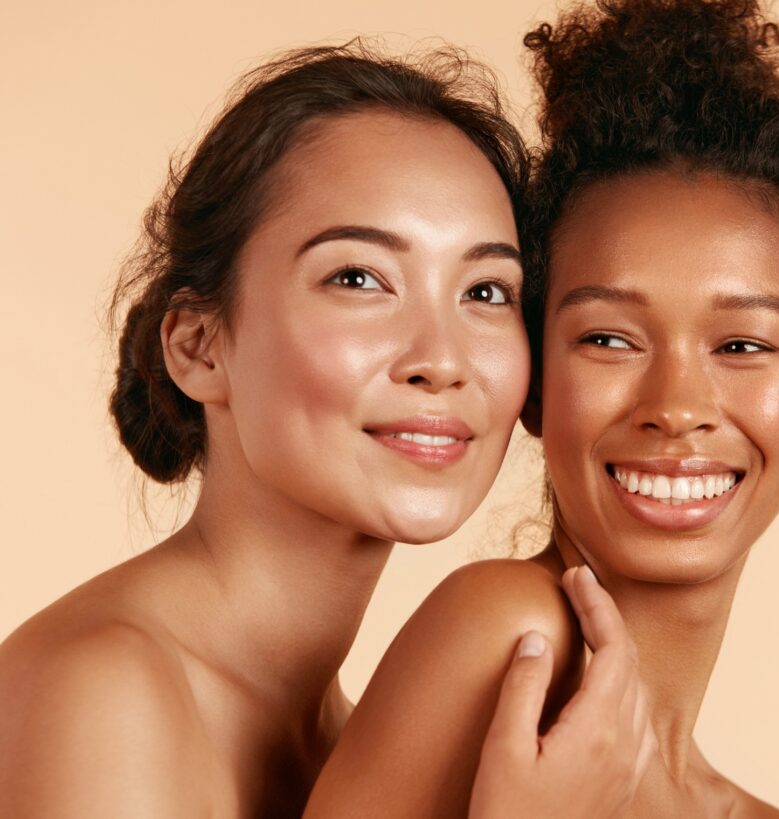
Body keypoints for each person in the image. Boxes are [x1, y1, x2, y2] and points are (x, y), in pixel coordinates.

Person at [0, 44, 651, 818]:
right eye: (358, 278)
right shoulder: (102, 691)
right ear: (198, 346)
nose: (442, 361)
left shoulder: (354, 747)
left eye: (485, 289)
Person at [304, 0, 779, 816]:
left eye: (742, 346)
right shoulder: (507, 637)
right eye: (609, 339)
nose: (676, 407)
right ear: (534, 383)